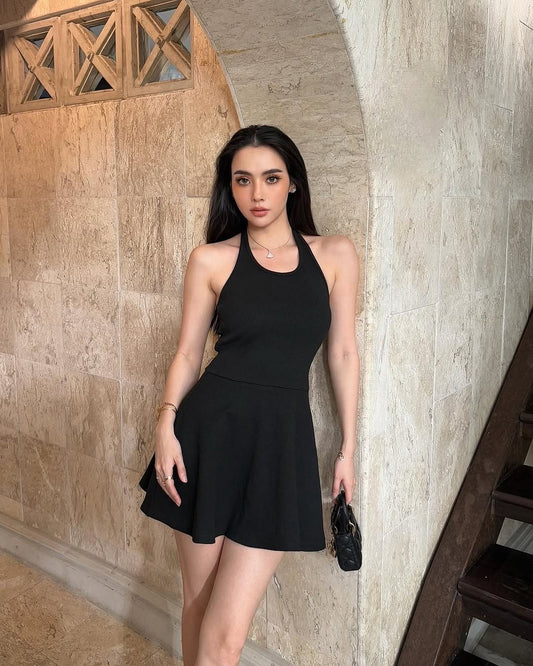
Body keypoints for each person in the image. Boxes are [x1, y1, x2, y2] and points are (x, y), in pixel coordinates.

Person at [139, 125, 359, 666]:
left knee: (226, 636)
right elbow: (188, 353)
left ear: (293, 184)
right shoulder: (210, 259)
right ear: (230, 187)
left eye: (271, 178)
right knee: (199, 606)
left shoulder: (334, 254)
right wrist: (165, 425)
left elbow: (342, 353)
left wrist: (348, 448)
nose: (257, 193)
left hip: (280, 446)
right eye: (243, 180)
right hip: (206, 437)